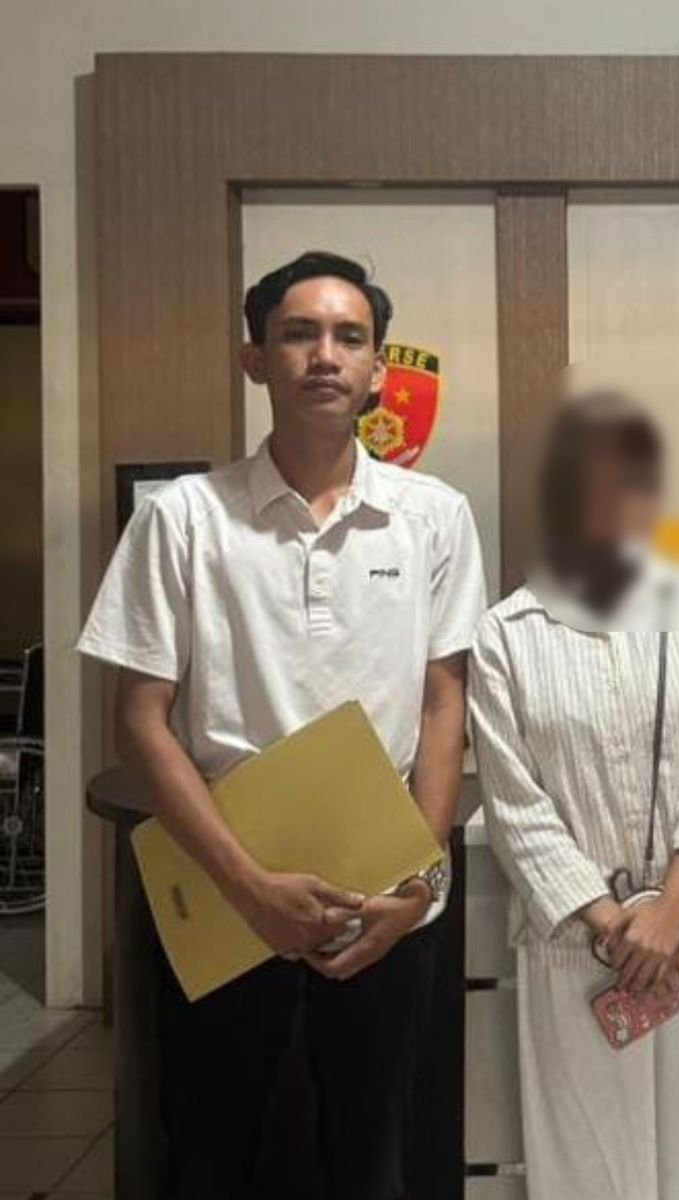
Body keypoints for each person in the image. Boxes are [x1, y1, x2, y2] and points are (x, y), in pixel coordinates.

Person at [78, 251, 486, 1199]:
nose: (325, 355)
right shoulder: (185, 519)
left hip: (380, 897)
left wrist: (417, 882)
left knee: (374, 1158)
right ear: (254, 359)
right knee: (209, 1155)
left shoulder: (434, 516)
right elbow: (139, 722)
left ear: (378, 368)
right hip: (223, 881)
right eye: (298, 334)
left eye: (350, 337)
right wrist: (251, 888)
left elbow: (443, 703)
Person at [468, 394, 679, 1200]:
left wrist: (671, 909)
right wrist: (615, 926)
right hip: (579, 951)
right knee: (589, 1173)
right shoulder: (507, 634)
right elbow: (516, 807)